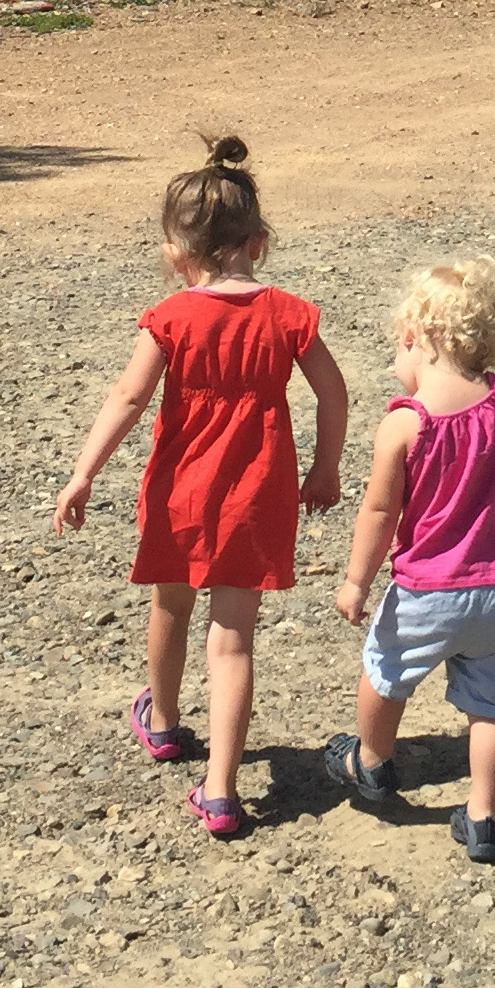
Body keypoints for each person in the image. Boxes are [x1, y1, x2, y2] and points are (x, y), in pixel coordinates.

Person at [52, 134, 347, 840]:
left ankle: (163, 721)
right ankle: (220, 791)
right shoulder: (289, 316)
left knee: (172, 609)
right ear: (260, 243)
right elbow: (334, 397)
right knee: (234, 642)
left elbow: (127, 399)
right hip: (258, 494)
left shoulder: (172, 318)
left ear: (176, 252)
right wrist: (325, 467)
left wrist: (83, 472)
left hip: (182, 490)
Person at [323, 256, 495, 864]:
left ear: (417, 341)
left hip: (428, 592)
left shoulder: (404, 425)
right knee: (494, 707)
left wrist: (355, 582)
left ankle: (370, 760)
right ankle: (485, 818)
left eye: (400, 347)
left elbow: (378, 513)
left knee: (385, 673)